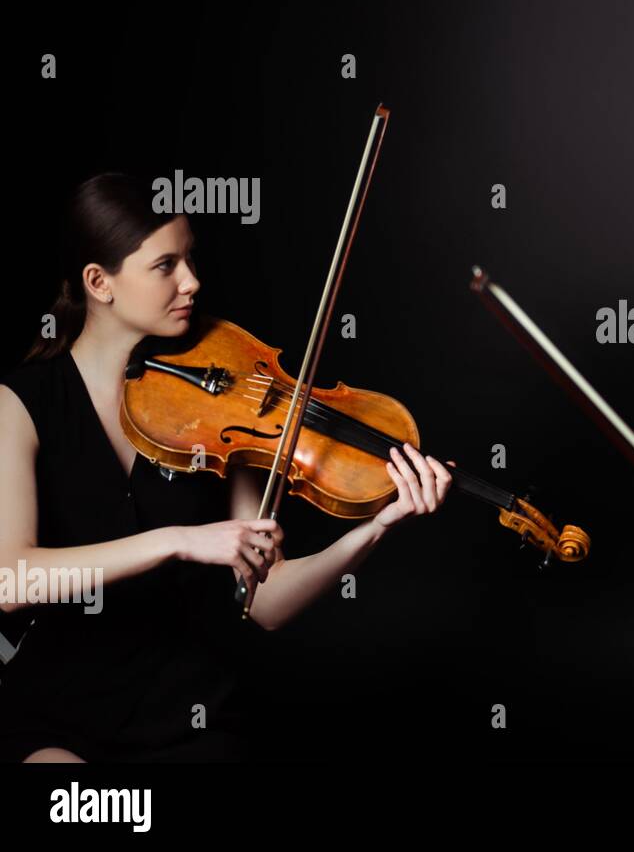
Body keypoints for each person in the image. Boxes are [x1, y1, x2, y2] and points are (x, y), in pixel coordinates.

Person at [0, 173, 451, 762]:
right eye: (166, 265)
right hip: (57, 714)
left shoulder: (225, 397)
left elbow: (265, 601)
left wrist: (374, 527)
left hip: (185, 714)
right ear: (99, 283)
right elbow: (12, 582)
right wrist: (178, 541)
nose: (192, 281)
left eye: (191, 258)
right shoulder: (22, 403)